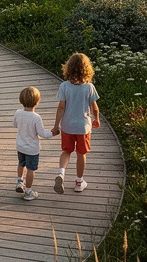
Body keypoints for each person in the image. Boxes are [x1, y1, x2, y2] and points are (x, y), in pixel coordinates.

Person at [51, 52, 101, 195]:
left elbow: (61, 107)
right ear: (87, 69)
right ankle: (79, 182)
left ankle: (61, 173)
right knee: (81, 153)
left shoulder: (64, 86)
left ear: (68, 68)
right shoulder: (89, 87)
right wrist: (96, 119)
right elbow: (94, 107)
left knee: (66, 151)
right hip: (83, 127)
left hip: (67, 126)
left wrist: (56, 126)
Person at [14, 85, 54, 201]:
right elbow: (42, 133)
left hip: (20, 146)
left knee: (21, 164)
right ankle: (28, 191)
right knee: (31, 169)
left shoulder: (18, 113)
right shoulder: (36, 117)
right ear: (37, 101)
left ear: (21, 99)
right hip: (32, 149)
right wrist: (53, 133)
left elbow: (15, 125)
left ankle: (20, 182)